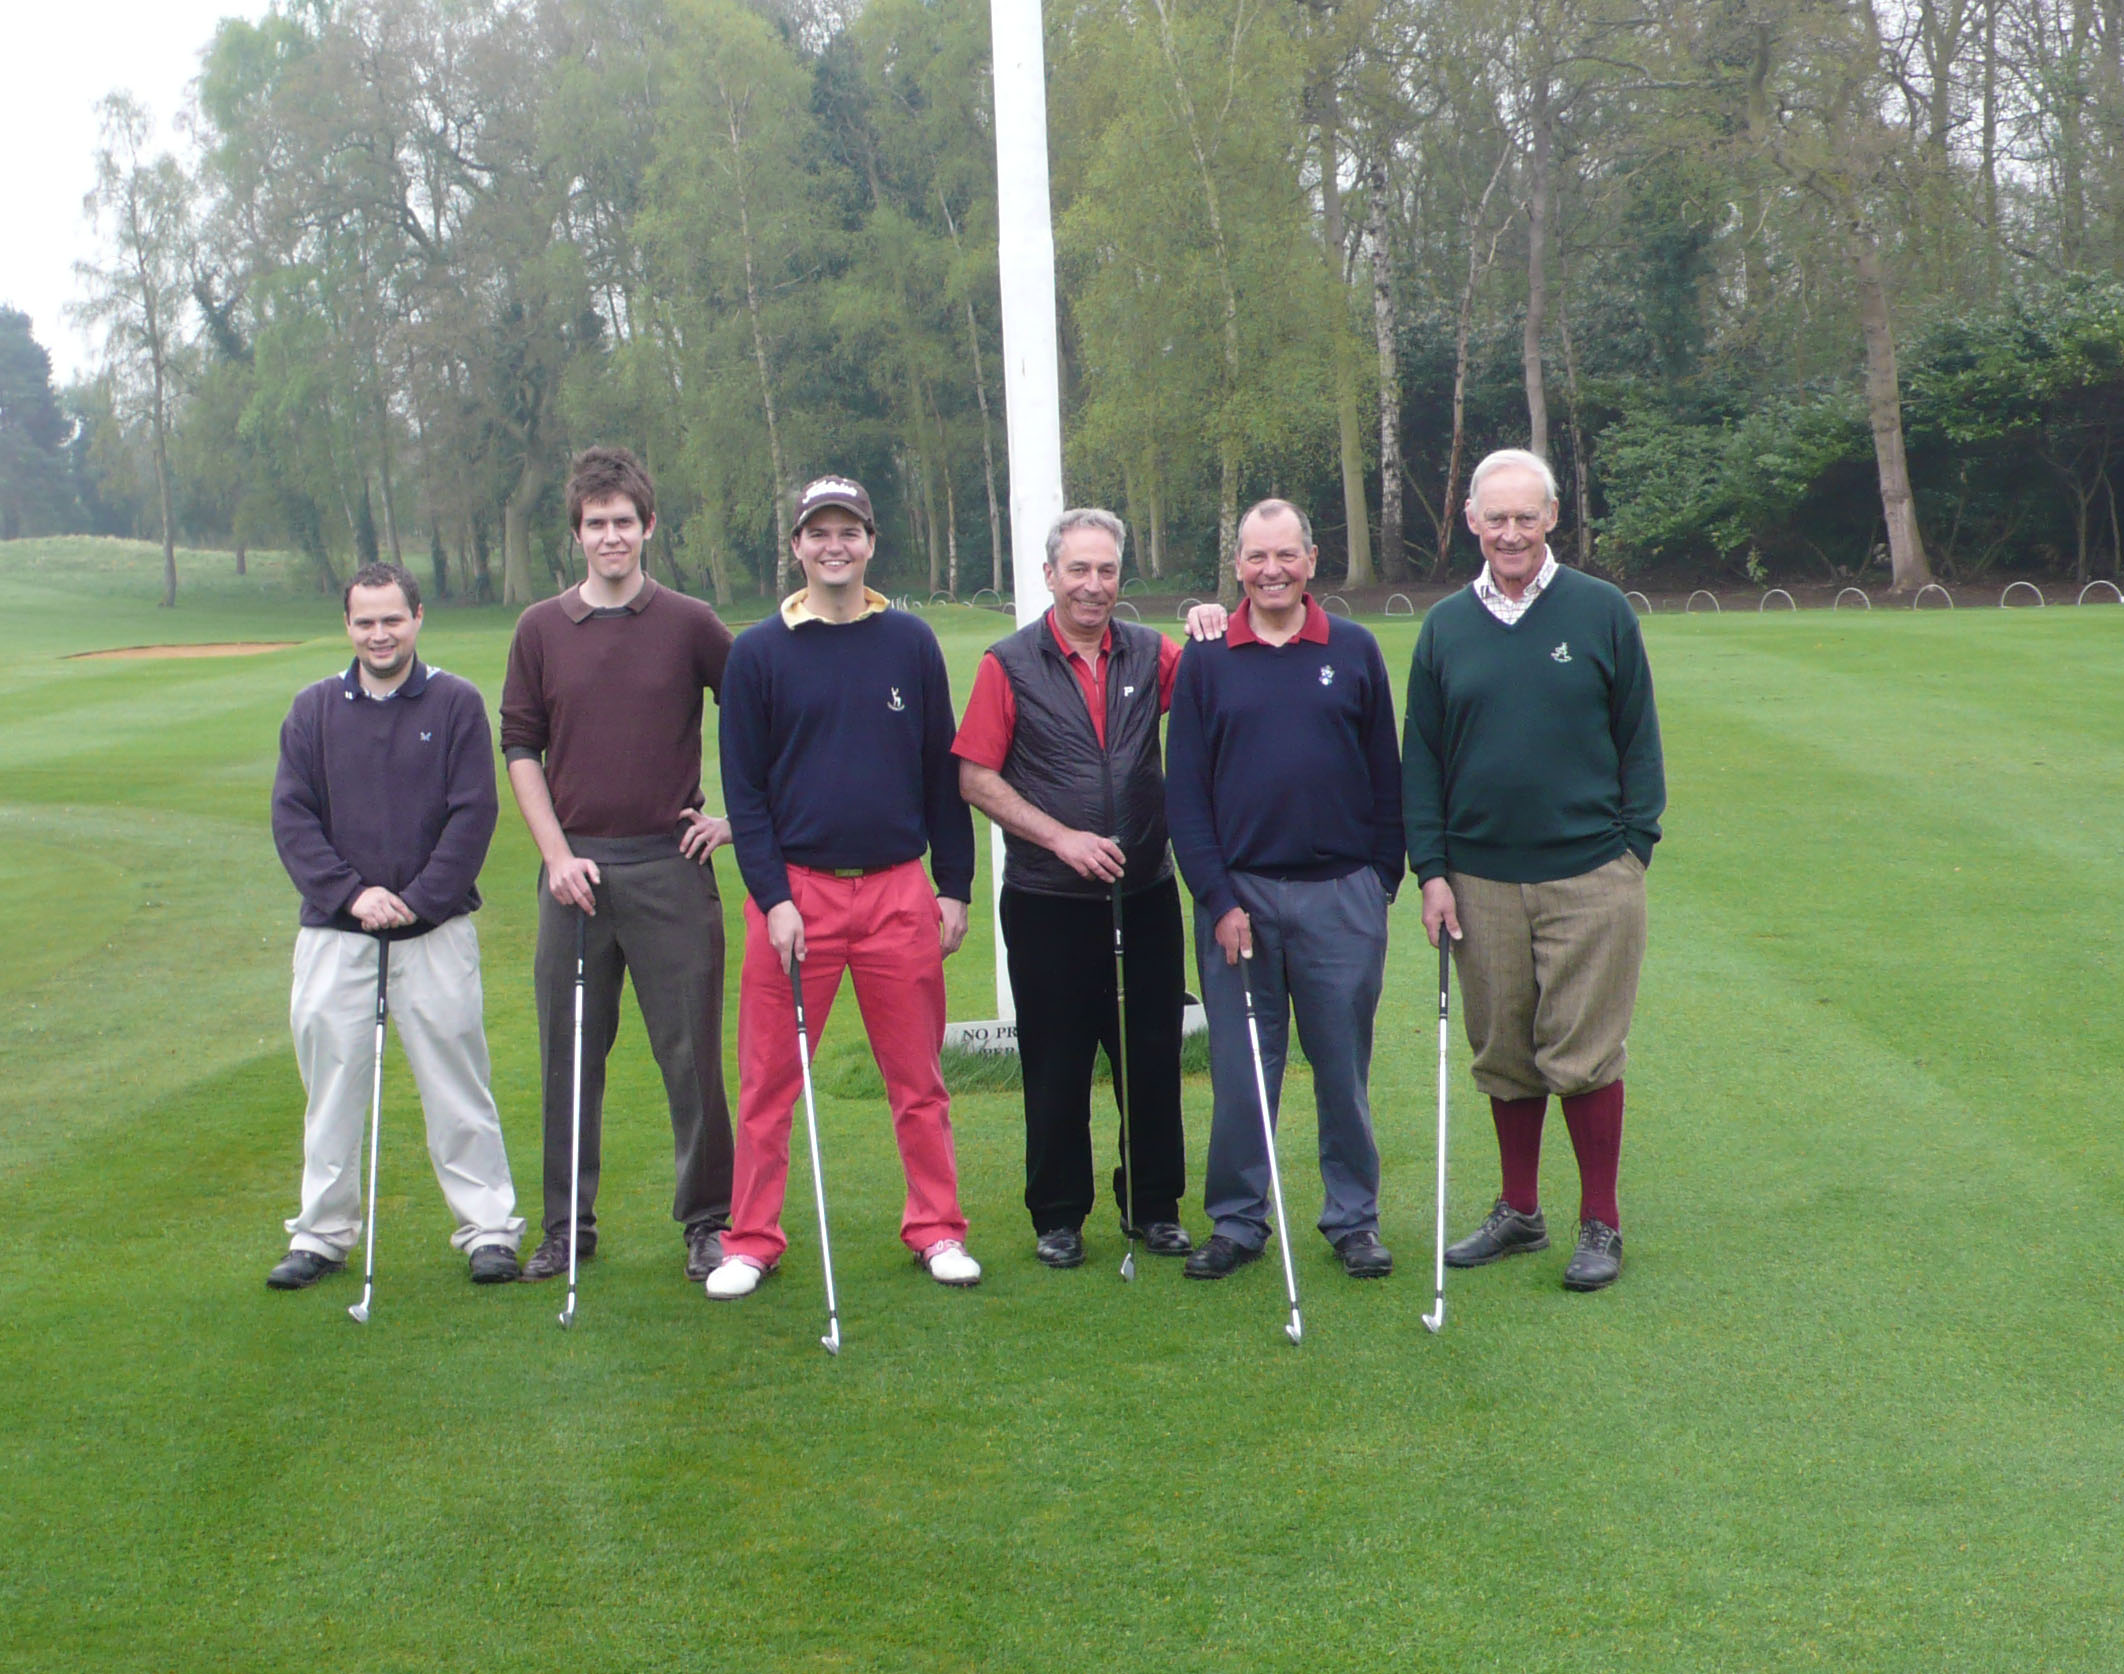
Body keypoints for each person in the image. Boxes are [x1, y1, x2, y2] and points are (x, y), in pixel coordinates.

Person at [706, 474, 983, 1298]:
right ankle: (751, 1239)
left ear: (869, 542)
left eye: (849, 532)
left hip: (899, 890)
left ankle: (937, 1228)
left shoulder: (909, 643)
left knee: (919, 1079)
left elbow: (943, 774)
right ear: (796, 547)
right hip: (796, 893)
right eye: (818, 533)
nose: (835, 546)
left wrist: (954, 884)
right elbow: (745, 794)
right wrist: (773, 898)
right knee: (767, 1082)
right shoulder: (757, 653)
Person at [1403, 447, 1665, 1292]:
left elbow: (1638, 740)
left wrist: (1633, 848)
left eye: (1526, 516)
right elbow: (1423, 761)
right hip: (1478, 878)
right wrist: (1432, 870)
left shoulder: (1600, 610)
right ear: (1471, 522)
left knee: (1583, 1054)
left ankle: (1602, 1222)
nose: (1510, 532)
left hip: (1591, 872)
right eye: (1495, 518)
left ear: (1551, 518)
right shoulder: (1445, 624)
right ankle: (1520, 1211)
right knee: (1504, 1049)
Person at [498, 446, 737, 1287]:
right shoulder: (539, 629)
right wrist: (556, 856)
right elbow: (520, 746)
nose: (610, 537)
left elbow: (762, 716)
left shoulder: (690, 622)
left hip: (669, 867)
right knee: (570, 1057)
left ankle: (709, 1222)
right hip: (576, 874)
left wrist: (735, 820)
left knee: (692, 1057)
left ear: (648, 527)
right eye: (596, 524)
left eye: (623, 523)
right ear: (578, 533)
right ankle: (568, 1226)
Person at [1166, 499, 1405, 1281]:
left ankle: (1352, 1220)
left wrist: (1381, 883)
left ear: (1311, 559)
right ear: (1236, 565)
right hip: (1240, 902)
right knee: (1242, 1072)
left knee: (1342, 1069)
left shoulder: (1355, 648)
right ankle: (1237, 1222)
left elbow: (1385, 777)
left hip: (1342, 897)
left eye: (1287, 555)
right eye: (1257, 557)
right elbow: (1186, 798)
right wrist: (1218, 899)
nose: (1273, 570)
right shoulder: (1205, 658)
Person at [267, 561, 523, 1289]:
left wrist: (416, 898)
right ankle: (320, 1234)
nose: (379, 634)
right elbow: (293, 817)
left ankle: (488, 1230)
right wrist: (353, 896)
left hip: (432, 931)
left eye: (392, 619)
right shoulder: (313, 709)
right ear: (346, 626)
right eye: (365, 621)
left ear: (417, 619)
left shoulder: (455, 704)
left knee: (457, 1082)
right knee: (332, 1086)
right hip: (335, 933)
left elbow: (473, 814)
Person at [955, 508, 1191, 1270]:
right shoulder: (1009, 664)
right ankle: (1057, 1214)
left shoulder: (1152, 653)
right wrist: (1060, 837)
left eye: (1108, 570)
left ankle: (1153, 1205)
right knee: (1055, 1062)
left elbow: (1225, 679)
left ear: (1122, 578)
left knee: (1150, 1056)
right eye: (1079, 570)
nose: (1094, 585)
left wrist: (1223, 617)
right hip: (1047, 900)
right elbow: (975, 776)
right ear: (1050, 575)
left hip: (1145, 893)